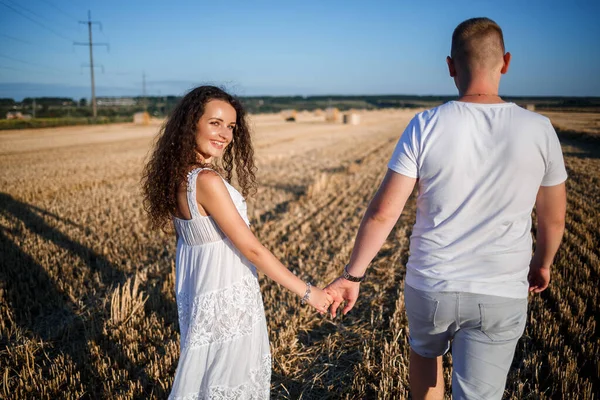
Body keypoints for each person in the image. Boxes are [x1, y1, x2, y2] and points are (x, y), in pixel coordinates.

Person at [325, 17, 567, 399]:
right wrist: (542, 262)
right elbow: (552, 218)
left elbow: (383, 213)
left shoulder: (425, 125)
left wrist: (352, 276)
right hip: (500, 288)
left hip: (431, 285)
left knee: (424, 361)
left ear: (451, 66)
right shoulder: (539, 129)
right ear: (505, 61)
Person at [142, 86, 332, 399]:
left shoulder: (180, 177)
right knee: (231, 381)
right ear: (192, 123)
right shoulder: (206, 180)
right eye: (215, 123)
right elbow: (252, 249)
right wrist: (309, 292)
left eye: (230, 126)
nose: (225, 134)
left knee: (209, 378)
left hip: (205, 291)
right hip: (227, 296)